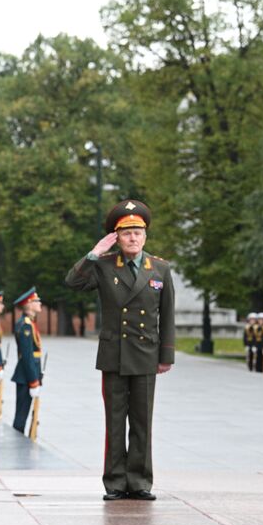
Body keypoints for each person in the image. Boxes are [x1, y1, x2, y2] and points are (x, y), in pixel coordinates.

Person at [65, 199, 176, 502]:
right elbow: (73, 282)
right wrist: (94, 253)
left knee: (142, 421)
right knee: (115, 421)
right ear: (116, 237)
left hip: (145, 355)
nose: (132, 238)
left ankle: (140, 481)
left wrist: (166, 356)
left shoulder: (160, 269)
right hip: (114, 355)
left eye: (137, 233)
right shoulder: (103, 265)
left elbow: (167, 315)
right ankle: (115, 481)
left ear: (145, 236)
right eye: (126, 233)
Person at [10, 288, 44, 433]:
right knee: (22, 414)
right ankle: (18, 441)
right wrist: (33, 380)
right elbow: (27, 355)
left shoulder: (29, 323)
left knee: (24, 411)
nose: (40, 302)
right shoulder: (25, 325)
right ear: (29, 304)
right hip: (26, 375)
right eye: (36, 300)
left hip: (29, 373)